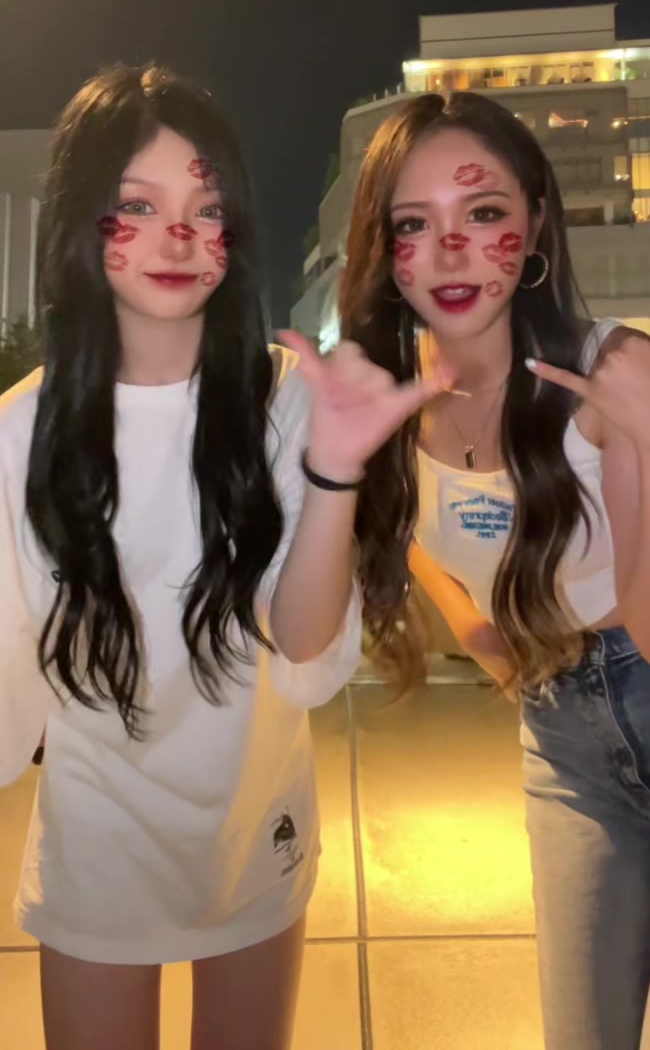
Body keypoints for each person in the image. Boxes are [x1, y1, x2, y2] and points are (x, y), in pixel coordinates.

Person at [0, 65, 444, 1050]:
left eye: (206, 209)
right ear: (81, 221)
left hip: (254, 824)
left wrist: (335, 470)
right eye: (137, 206)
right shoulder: (20, 431)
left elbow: (304, 643)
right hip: (98, 839)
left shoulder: (288, 395)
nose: (178, 237)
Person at [339, 91, 650, 1050]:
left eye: (483, 213)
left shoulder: (606, 375)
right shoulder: (390, 398)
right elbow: (410, 530)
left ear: (537, 223)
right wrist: (482, 634)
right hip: (563, 745)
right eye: (413, 225)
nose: (451, 251)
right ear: (384, 248)